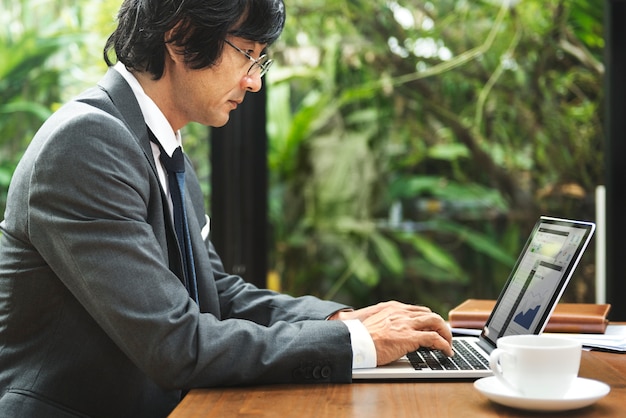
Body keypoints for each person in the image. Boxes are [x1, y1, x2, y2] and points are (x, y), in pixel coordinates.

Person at [0, 0, 453, 417]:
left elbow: (217, 294)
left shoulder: (159, 145)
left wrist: (339, 321)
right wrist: (356, 343)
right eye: (248, 53)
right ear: (180, 36)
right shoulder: (85, 145)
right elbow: (174, 343)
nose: (255, 80)